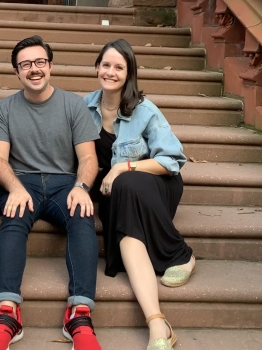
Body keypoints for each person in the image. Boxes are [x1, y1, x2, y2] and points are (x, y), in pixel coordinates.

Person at [0, 35, 102, 350]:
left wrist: (81, 186)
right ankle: (8, 313)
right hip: (22, 181)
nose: (34, 69)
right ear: (17, 72)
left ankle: (80, 314)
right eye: (25, 65)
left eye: (39, 62)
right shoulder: (5, 108)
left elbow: (88, 158)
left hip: (64, 182)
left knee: (82, 214)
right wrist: (16, 187)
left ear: (50, 66)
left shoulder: (73, 104)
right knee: (14, 216)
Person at [83, 39, 195, 350]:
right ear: (96, 68)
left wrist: (122, 168)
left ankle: (181, 254)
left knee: (127, 182)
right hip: (113, 194)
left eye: (119, 67)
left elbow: (172, 160)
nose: (111, 71)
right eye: (106, 65)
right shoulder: (84, 107)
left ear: (129, 73)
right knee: (123, 198)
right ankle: (158, 325)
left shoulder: (144, 109)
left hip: (155, 185)